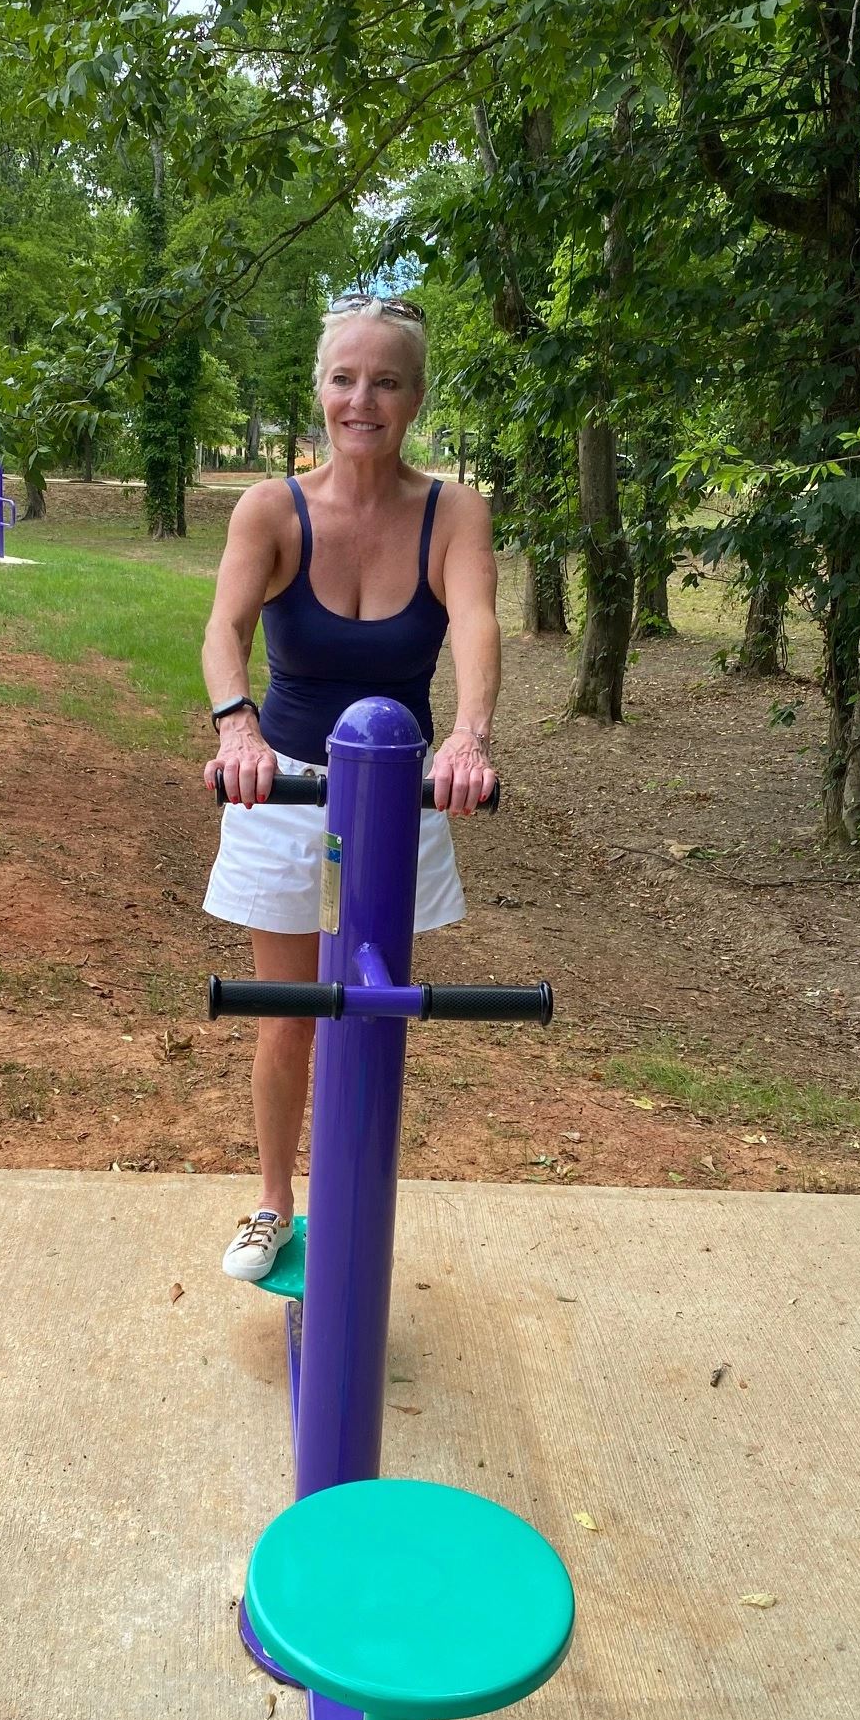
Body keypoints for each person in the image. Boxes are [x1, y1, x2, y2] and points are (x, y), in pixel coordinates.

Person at [201, 295, 499, 1280]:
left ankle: (354, 1203)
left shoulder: (452, 512)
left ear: (414, 396)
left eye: (384, 381)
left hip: (394, 800)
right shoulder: (270, 509)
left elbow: (476, 624)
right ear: (319, 389)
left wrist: (466, 738)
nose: (360, 399)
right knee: (290, 1010)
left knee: (369, 1015)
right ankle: (273, 1204)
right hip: (283, 787)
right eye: (343, 378)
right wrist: (234, 723)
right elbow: (223, 629)